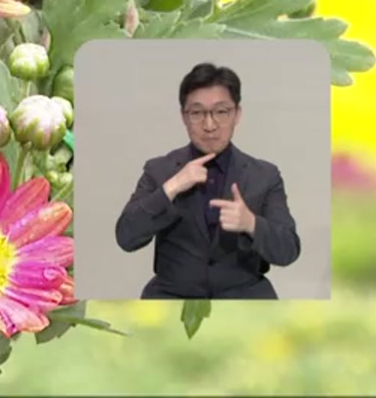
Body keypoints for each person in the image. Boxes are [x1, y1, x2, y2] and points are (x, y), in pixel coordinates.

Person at [114, 62, 302, 299]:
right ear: (184, 116)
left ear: (237, 114)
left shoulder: (264, 175)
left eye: (221, 112)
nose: (210, 125)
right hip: (172, 296)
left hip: (245, 296)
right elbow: (126, 238)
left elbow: (289, 251)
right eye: (197, 113)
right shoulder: (159, 170)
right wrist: (171, 188)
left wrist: (251, 223)